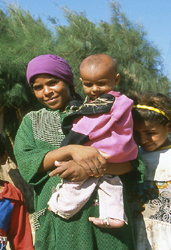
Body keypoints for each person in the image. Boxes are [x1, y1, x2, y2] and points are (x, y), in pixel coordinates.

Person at [14, 54, 141, 249]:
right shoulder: (32, 121)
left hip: (105, 218)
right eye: (38, 88)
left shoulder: (106, 109)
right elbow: (27, 163)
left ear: (69, 81)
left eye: (52, 83)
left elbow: (133, 164)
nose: (46, 92)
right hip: (59, 222)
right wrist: (72, 150)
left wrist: (90, 170)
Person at [47, 54, 138, 228]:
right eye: (88, 85)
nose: (95, 89)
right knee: (111, 183)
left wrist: (68, 146)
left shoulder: (105, 103)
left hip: (103, 151)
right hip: (122, 153)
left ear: (116, 79)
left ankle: (62, 207)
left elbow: (88, 128)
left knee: (76, 183)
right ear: (81, 82)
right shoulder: (123, 101)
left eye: (101, 83)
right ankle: (114, 216)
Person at [130, 92, 171, 249]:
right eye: (136, 133)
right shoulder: (132, 158)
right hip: (135, 236)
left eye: (151, 133)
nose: (143, 140)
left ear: (170, 127)